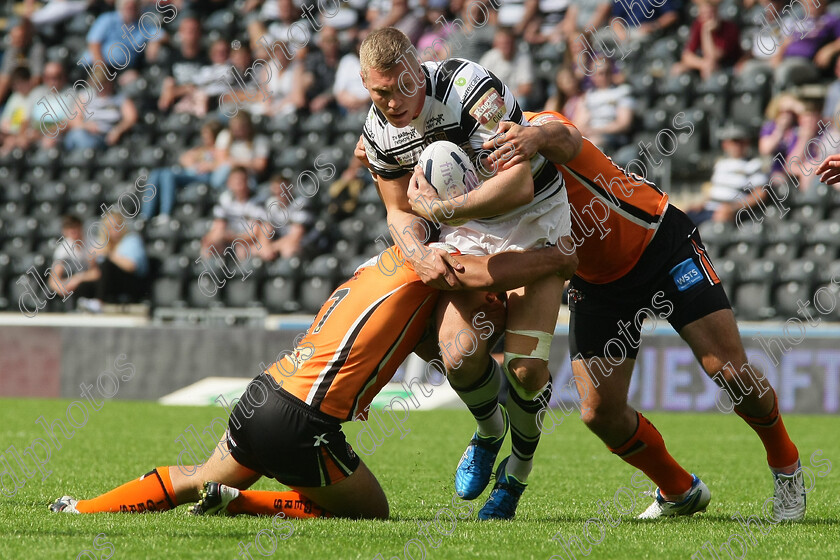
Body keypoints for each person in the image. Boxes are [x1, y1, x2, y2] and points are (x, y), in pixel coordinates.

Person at [49, 242, 577, 518]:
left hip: (263, 393)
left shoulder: (382, 266)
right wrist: (555, 260)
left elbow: (414, 342)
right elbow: (487, 277)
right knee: (371, 514)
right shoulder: (429, 264)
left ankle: (79, 508)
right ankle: (238, 501)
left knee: (191, 476)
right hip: (301, 420)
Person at [473, 109, 806, 521]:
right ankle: (679, 490)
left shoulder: (537, 128)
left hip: (660, 243)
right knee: (600, 413)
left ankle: (786, 463)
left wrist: (534, 138)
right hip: (598, 284)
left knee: (730, 372)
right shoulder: (481, 173)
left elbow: (564, 136)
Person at [358, 27, 576, 520]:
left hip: (534, 221)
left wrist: (447, 212)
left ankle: (518, 471)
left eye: (399, 87)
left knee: (525, 370)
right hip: (466, 226)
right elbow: (398, 211)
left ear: (417, 69)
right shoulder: (377, 129)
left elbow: (519, 184)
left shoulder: (471, 89)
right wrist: (416, 250)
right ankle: (488, 431)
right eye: (379, 92)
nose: (391, 102)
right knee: (457, 354)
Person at [141, 121, 224, 224]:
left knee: (167, 175)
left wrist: (209, 165)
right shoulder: (201, 149)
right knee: (156, 173)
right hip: (192, 173)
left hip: (203, 176)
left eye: (207, 135)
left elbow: (222, 163)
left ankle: (165, 213)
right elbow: (184, 158)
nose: (204, 137)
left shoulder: (219, 150)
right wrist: (194, 165)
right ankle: (145, 214)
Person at [685, 125, 769, 225]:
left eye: (741, 141)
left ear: (747, 143)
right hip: (710, 208)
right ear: (725, 144)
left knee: (720, 217)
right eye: (734, 142)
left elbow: (760, 194)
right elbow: (714, 190)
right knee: (680, 216)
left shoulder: (753, 165)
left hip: (731, 211)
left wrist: (734, 207)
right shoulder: (721, 164)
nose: (737, 145)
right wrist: (700, 204)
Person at [73, 211, 149, 309]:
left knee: (106, 264)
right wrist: (83, 272)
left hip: (131, 283)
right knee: (84, 285)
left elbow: (131, 266)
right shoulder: (104, 244)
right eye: (110, 228)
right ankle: (81, 306)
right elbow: (97, 273)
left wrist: (109, 254)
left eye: (117, 227)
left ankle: (99, 303)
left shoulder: (131, 241)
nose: (114, 231)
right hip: (111, 284)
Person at [201, 166, 269, 258]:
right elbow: (219, 225)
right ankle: (208, 268)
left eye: (241, 180)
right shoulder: (224, 198)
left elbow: (253, 235)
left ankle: (241, 272)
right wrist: (211, 238)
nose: (238, 184)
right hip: (229, 237)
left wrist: (231, 237)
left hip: (246, 240)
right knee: (209, 245)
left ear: (247, 182)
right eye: (235, 180)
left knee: (241, 248)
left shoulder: (257, 200)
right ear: (229, 183)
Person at [671, 0, 741, 80]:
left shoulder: (729, 28)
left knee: (710, 68)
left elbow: (712, 57)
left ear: (716, 12)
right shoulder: (698, 24)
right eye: (703, 14)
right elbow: (686, 56)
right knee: (678, 68)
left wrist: (707, 32)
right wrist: (702, 64)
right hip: (706, 63)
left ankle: (710, 92)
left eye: (710, 13)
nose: (706, 17)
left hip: (728, 66)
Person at [478, 27, 535, 108]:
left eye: (508, 43)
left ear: (514, 43)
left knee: (521, 101)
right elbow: (480, 82)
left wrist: (506, 98)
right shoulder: (489, 57)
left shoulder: (523, 58)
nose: (505, 46)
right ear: (496, 44)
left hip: (515, 98)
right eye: (502, 43)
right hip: (493, 98)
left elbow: (526, 88)